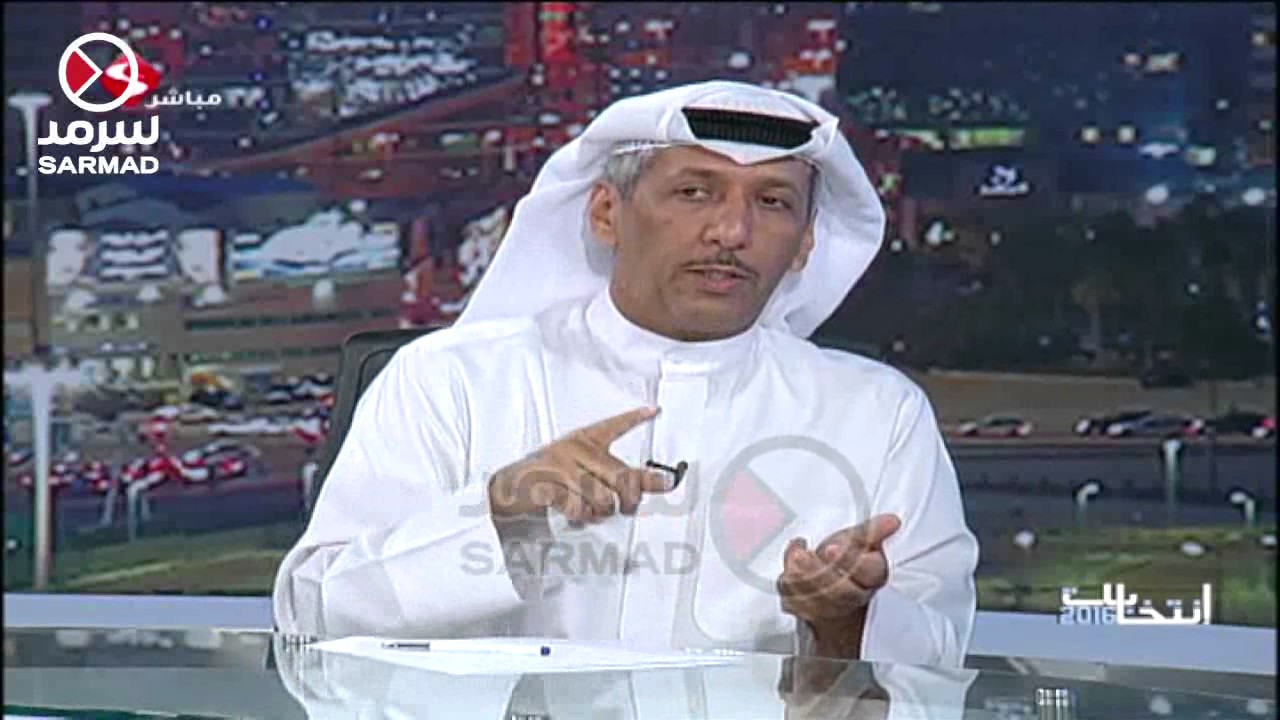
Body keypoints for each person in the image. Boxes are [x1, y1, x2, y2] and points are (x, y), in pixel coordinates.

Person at [273, 80, 979, 667]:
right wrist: (503, 510)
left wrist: (848, 620)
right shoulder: (451, 380)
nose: (732, 233)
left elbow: (943, 652)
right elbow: (310, 614)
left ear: (804, 245)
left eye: (772, 202)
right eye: (694, 192)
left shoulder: (877, 413)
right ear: (608, 213)